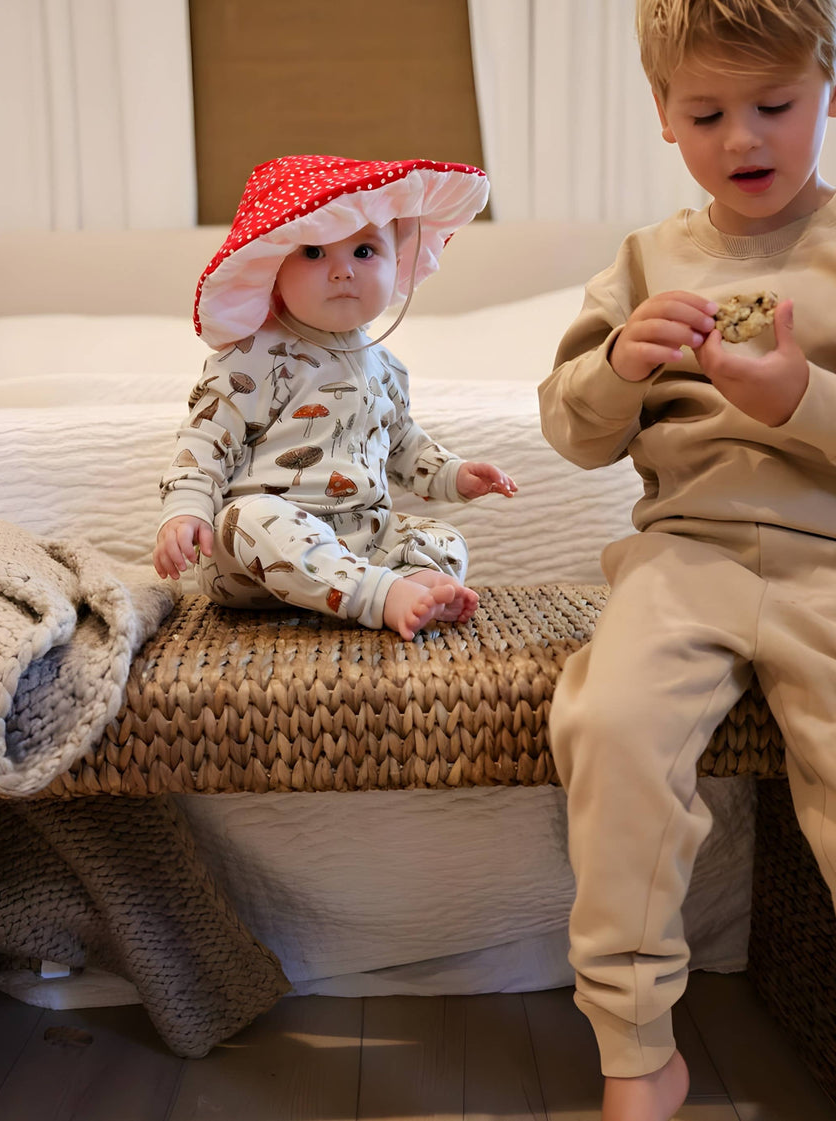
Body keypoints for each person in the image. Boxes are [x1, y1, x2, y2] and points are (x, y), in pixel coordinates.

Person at [538, 1, 836, 1118]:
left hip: (829, 559)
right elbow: (573, 433)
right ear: (663, 114)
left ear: (828, 92)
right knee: (610, 725)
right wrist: (617, 362)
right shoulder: (646, 258)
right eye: (707, 112)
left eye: (776, 106)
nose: (744, 140)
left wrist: (797, 397)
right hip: (688, 553)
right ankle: (636, 1048)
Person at [154, 155, 516, 640]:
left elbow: (404, 443)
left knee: (443, 538)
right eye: (313, 253)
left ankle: (408, 582)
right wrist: (185, 509)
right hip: (260, 555)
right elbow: (205, 437)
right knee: (248, 518)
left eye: (365, 252)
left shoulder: (385, 366)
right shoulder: (251, 354)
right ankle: (379, 595)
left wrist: (454, 474)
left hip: (360, 535)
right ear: (273, 267)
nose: (343, 271)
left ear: (398, 260)